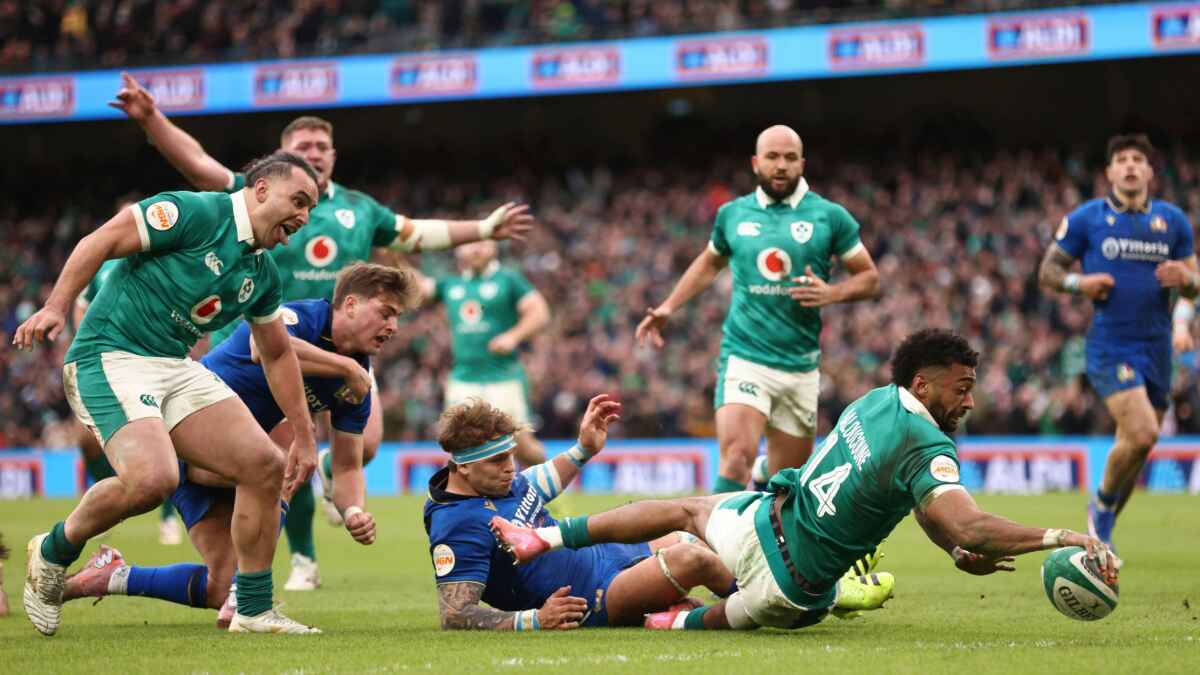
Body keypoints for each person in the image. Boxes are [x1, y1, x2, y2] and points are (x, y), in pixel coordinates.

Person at [112, 73, 535, 590]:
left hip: (342, 343)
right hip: (269, 346)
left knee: (365, 440)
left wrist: (485, 229)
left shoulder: (359, 210)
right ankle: (298, 561)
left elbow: (418, 233)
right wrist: (153, 120)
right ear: (282, 157)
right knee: (286, 449)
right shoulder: (260, 195)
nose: (313, 152)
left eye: (321, 146)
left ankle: (298, 515)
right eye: (301, 146)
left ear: (333, 156)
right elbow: (201, 167)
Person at [493, 329, 1118, 631]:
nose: (970, 402)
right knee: (758, 612)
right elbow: (965, 519)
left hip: (762, 522)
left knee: (687, 509)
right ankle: (677, 623)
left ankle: (545, 539)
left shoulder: (876, 401)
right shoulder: (930, 445)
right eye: (963, 388)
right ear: (924, 386)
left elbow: (931, 514)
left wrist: (955, 549)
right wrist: (1060, 536)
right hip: (794, 584)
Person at [13, 151, 324, 636]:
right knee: (152, 480)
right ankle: (53, 549)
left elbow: (278, 354)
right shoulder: (197, 212)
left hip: (174, 365)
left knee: (266, 464)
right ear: (261, 189)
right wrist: (55, 306)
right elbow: (102, 239)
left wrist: (305, 435)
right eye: (298, 201)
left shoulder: (262, 274)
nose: (303, 217)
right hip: (109, 353)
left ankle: (254, 610)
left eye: (310, 210)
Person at [61, 263, 419, 628]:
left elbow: (346, 466)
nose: (392, 327)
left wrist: (354, 511)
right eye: (385, 313)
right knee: (279, 465)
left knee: (221, 584)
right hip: (186, 434)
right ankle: (251, 605)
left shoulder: (356, 382)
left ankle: (111, 576)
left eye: (397, 318)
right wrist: (344, 366)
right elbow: (260, 346)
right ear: (352, 304)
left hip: (230, 464)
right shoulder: (306, 318)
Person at [635, 125, 880, 495]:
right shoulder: (732, 215)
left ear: (802, 163)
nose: (781, 165)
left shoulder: (830, 217)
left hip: (799, 366)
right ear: (755, 163)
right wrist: (669, 307)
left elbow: (870, 278)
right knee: (735, 457)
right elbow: (708, 263)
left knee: (786, 480)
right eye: (772, 157)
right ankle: (709, 547)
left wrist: (833, 293)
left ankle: (765, 475)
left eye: (789, 157)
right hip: (745, 356)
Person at [426, 395, 738, 630]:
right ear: (464, 466)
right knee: (692, 559)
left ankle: (687, 610)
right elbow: (455, 613)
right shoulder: (456, 523)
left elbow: (544, 478)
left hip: (607, 552)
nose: (510, 468)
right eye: (497, 461)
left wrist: (584, 448)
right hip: (595, 594)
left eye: (511, 456)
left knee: (697, 533)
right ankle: (760, 604)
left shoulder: (497, 483)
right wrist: (534, 619)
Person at [1038, 133, 1198, 560]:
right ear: (1109, 172)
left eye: (1137, 160)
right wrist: (1080, 283)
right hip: (1111, 345)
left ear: (1149, 171)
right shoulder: (1088, 219)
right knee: (1144, 430)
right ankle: (1102, 512)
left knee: (1139, 445)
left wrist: (1184, 308)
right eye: (1122, 160)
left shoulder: (1173, 222)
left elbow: (1194, 285)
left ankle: (1102, 529)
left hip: (1158, 349)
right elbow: (1048, 272)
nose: (1129, 166)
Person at [74, 257, 186, 546]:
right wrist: (85, 338)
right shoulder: (103, 267)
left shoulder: (167, 260)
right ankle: (109, 503)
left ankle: (169, 518)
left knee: (167, 442)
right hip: (109, 363)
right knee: (85, 439)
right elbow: (82, 306)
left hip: (153, 360)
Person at [421, 240, 551, 467]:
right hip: (462, 377)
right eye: (469, 244)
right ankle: (467, 502)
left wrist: (514, 336)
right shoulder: (450, 284)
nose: (476, 248)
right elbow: (418, 287)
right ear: (459, 249)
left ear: (494, 247)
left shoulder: (508, 280)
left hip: (503, 376)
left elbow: (540, 312)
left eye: (483, 243)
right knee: (461, 445)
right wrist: (394, 256)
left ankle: (551, 493)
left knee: (521, 445)